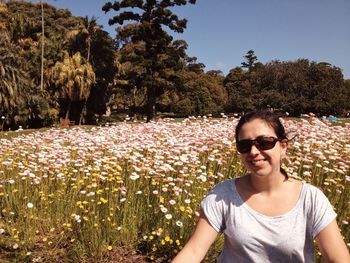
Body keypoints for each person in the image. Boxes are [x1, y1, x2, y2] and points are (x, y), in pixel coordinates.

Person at [172, 110, 350, 262]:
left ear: (283, 146)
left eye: (265, 142)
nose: (254, 152)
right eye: (245, 145)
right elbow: (194, 251)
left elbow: (338, 258)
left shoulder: (311, 199)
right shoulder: (222, 196)